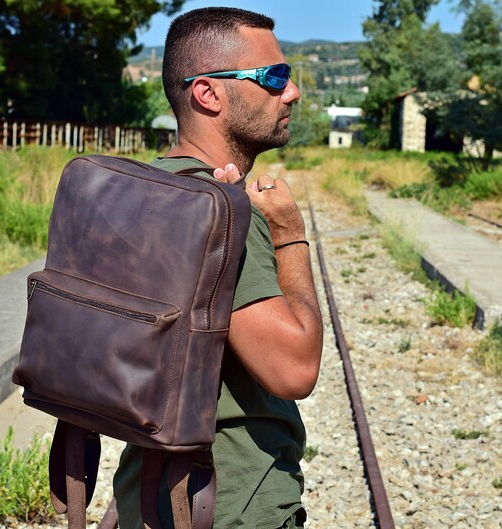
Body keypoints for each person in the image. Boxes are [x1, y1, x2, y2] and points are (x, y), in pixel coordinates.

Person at [113, 7, 324, 529]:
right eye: (274, 77)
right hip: (231, 500)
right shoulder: (224, 213)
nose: (291, 92)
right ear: (208, 94)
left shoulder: (139, 194)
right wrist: (288, 235)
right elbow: (294, 369)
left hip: (149, 492)